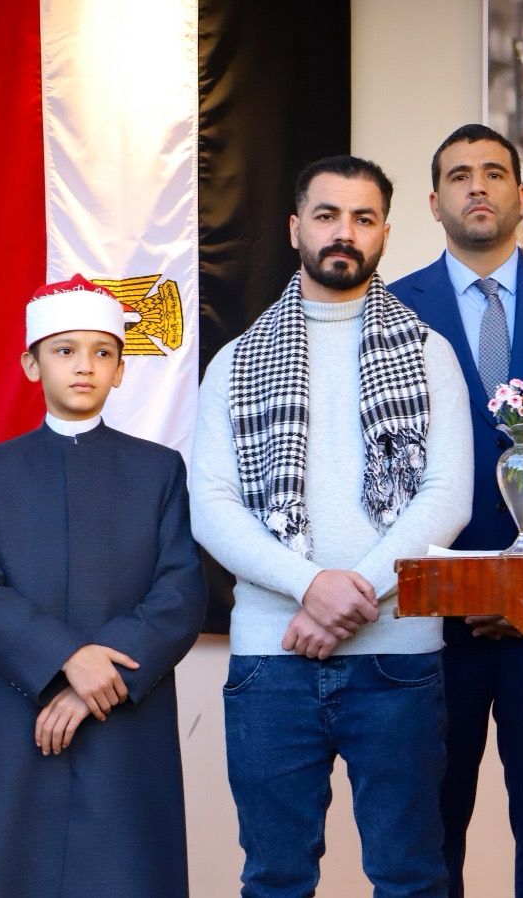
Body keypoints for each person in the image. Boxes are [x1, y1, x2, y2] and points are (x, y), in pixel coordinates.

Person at [190, 155, 473, 898]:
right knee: (275, 879)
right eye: (326, 215)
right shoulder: (236, 361)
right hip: (271, 659)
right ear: (295, 228)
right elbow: (211, 506)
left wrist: (346, 598)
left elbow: (448, 498)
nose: (343, 232)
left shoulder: (428, 353)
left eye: (363, 218)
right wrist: (310, 586)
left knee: (411, 878)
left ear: (384, 234)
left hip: (399, 661)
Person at [0, 275, 206, 897]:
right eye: (65, 351)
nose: (84, 366)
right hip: (23, 707)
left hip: (126, 708)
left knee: (131, 872)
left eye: (102, 352)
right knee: (21, 870)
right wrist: (66, 657)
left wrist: (96, 682)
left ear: (120, 370)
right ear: (31, 365)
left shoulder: (159, 470)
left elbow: (180, 591)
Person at [394, 124, 523, 898]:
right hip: (435, 624)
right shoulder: (392, 311)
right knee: (429, 835)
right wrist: (461, 588)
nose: (477, 186)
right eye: (459, 175)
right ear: (434, 203)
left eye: (494, 173)